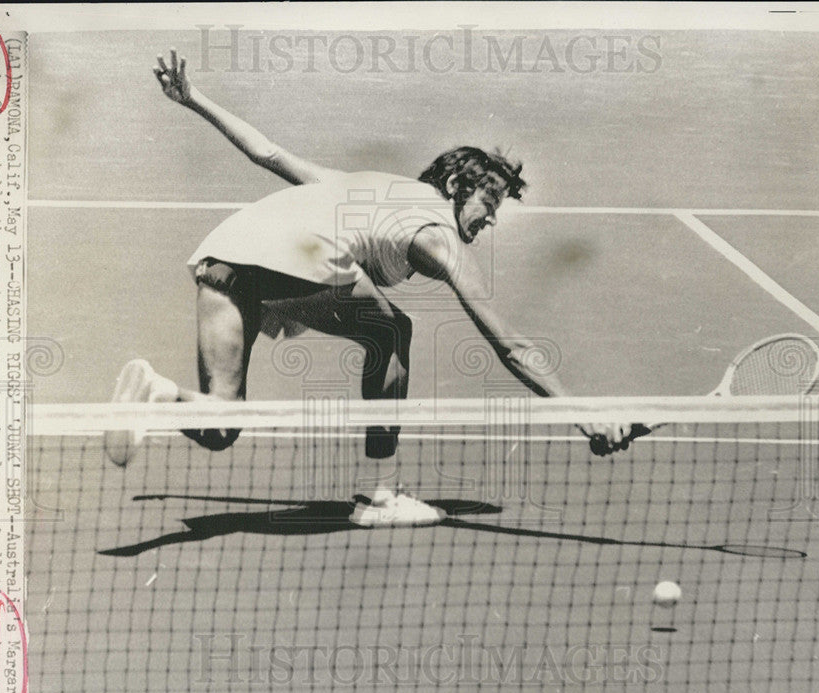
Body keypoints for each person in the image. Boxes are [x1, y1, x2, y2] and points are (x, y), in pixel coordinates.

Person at [105, 49, 636, 527]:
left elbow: (266, 153)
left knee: (222, 425)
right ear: (456, 187)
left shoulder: (366, 189)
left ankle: (157, 392)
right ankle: (380, 496)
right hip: (296, 256)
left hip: (223, 257)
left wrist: (194, 97)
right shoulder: (437, 234)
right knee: (391, 331)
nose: (491, 220)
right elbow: (510, 345)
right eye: (488, 204)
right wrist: (583, 413)